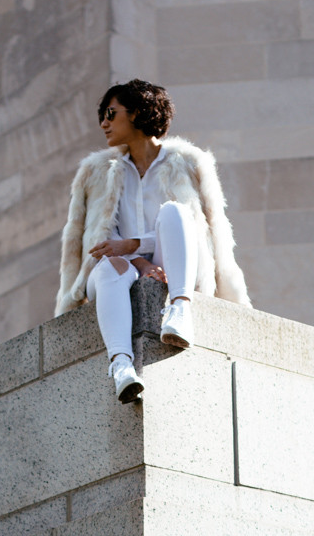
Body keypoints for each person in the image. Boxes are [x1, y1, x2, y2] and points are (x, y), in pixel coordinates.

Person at [55, 79, 250, 403]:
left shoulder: (188, 161)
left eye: (111, 113)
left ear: (136, 113)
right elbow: (104, 239)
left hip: (178, 259)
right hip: (118, 266)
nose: (103, 122)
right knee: (107, 268)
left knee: (175, 213)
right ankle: (121, 366)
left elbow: (200, 227)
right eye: (102, 115)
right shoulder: (97, 170)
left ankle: (180, 309)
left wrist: (135, 245)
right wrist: (140, 260)